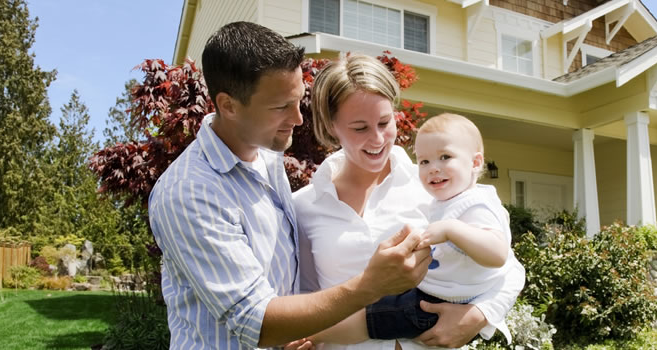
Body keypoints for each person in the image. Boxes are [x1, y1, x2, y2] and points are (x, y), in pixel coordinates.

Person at [148, 22, 433, 349]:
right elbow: (255, 321)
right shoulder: (189, 193)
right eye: (281, 107)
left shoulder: (267, 161)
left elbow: (292, 282)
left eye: (297, 100)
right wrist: (370, 285)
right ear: (228, 106)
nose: (298, 118)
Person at [293, 54, 525, 350]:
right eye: (360, 128)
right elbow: (305, 294)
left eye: (384, 122)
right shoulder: (304, 206)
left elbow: (509, 268)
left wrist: (478, 316)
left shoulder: (435, 186)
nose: (377, 139)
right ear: (331, 127)